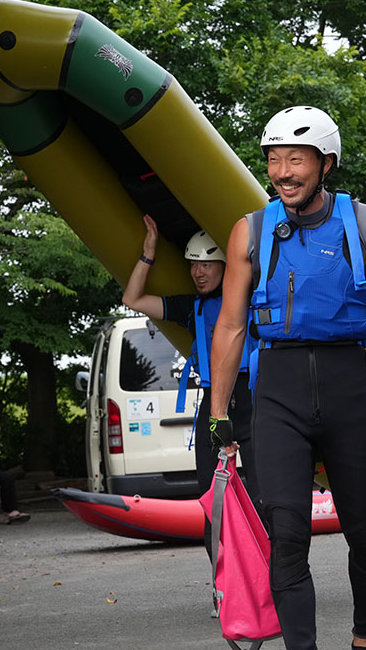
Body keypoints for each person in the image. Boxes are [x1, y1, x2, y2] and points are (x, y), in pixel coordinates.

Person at [207, 106, 366, 650]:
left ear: (326, 163)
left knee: (365, 536)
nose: (282, 171)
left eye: (296, 159)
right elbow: (231, 323)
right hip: (278, 393)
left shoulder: (365, 224)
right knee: (287, 539)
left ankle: (363, 639)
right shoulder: (251, 231)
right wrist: (219, 410)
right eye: (273, 159)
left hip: (350, 388)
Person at [121, 215, 256, 553]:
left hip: (254, 400)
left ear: (226, 264)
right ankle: (222, 582)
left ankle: (269, 577)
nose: (199, 272)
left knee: (261, 494)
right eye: (194, 265)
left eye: (207, 264)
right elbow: (132, 300)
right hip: (213, 404)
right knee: (211, 496)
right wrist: (148, 253)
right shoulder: (189, 306)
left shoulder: (252, 296)